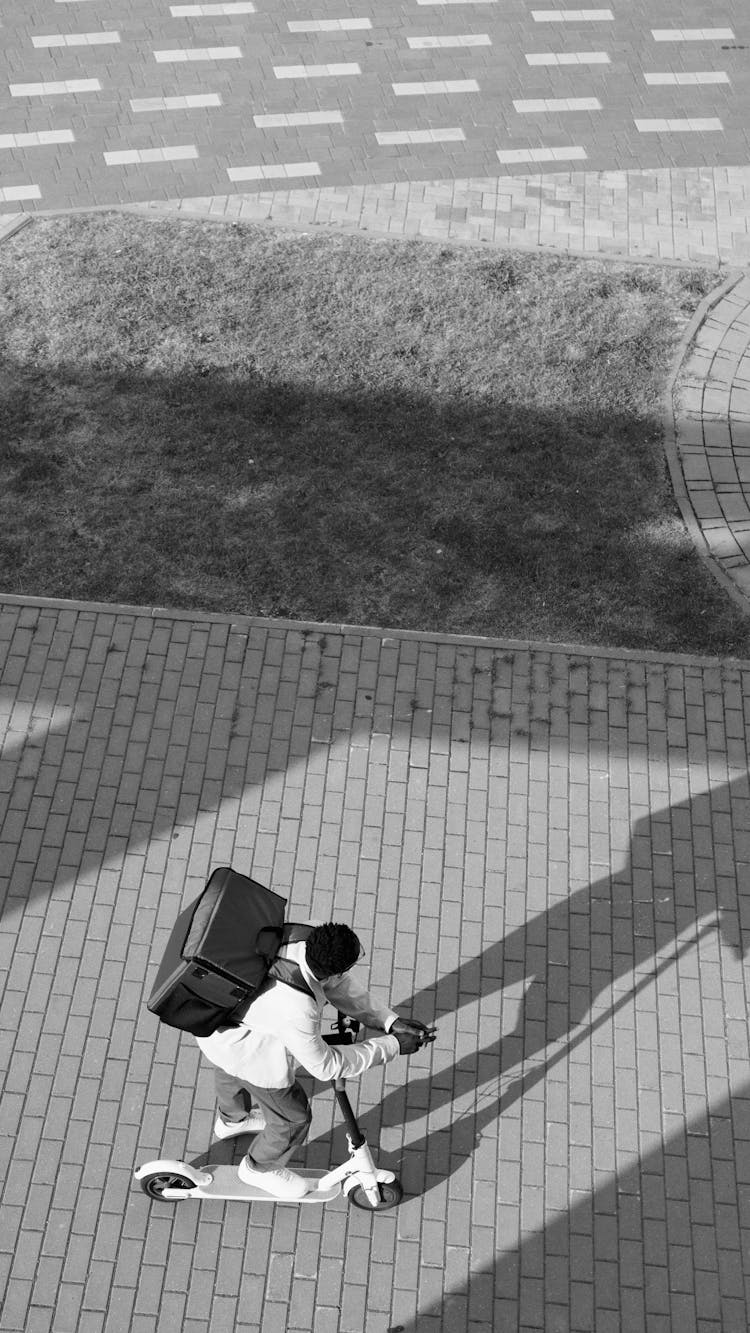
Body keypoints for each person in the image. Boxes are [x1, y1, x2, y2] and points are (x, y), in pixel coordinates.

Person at [195, 921, 435, 1199]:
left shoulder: (301, 939)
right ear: (333, 968)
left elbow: (339, 985)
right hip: (248, 1053)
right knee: (294, 1118)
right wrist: (391, 1046)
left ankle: (232, 1120)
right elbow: (326, 1066)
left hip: (221, 1030)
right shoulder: (298, 1009)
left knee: (228, 1071)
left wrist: (389, 1021)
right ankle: (258, 1168)